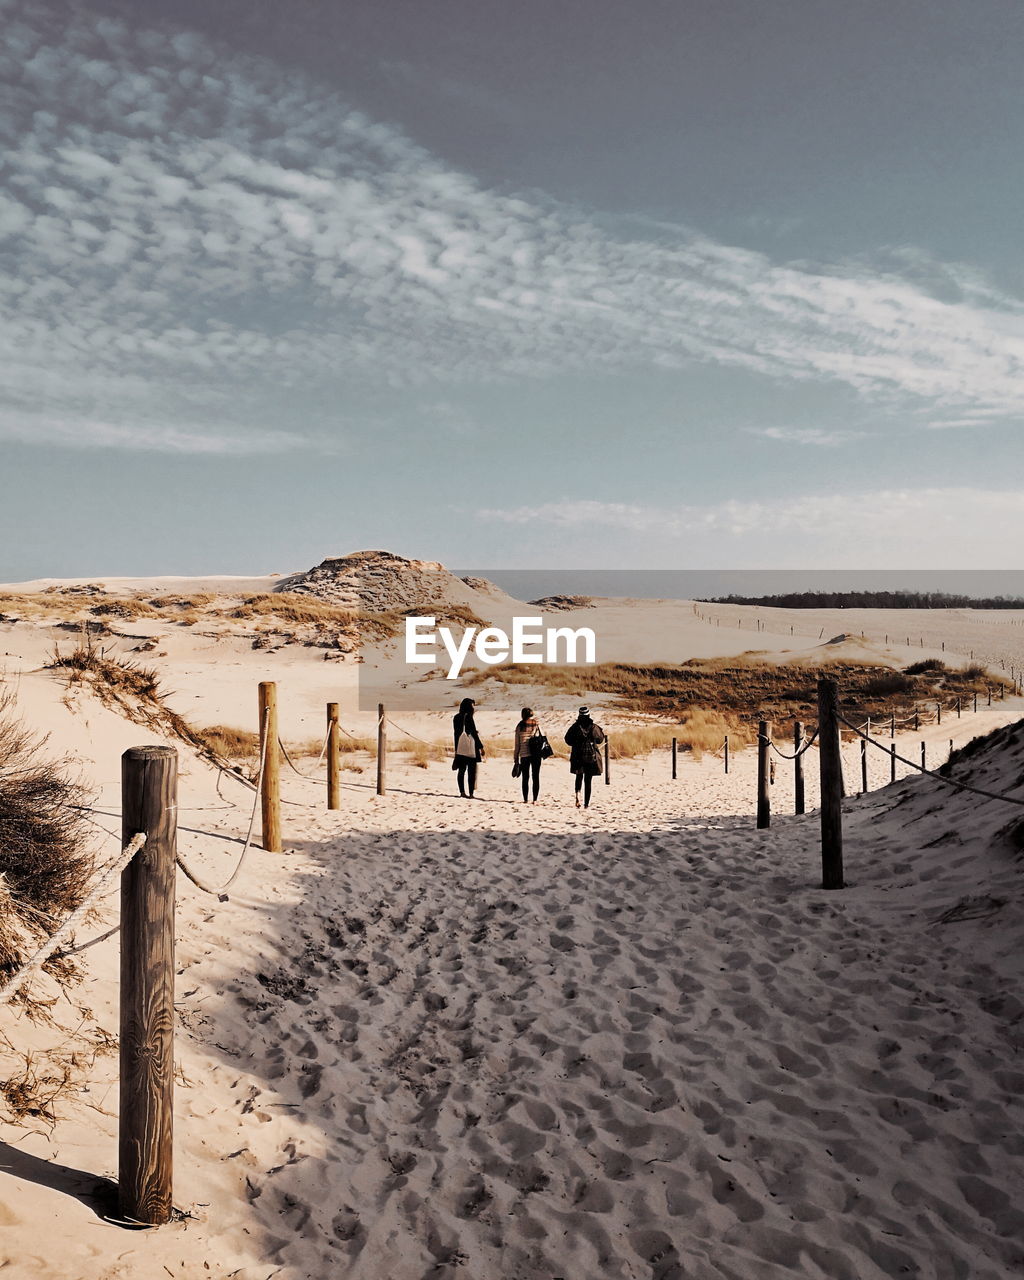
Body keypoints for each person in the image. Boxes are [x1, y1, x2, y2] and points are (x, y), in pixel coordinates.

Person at [564, 705, 605, 809]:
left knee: (579, 777)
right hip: (590, 756)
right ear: (589, 715)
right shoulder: (594, 727)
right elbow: (600, 739)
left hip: (578, 756)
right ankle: (586, 804)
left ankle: (578, 794)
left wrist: (577, 742)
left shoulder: (575, 727)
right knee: (588, 780)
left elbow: (567, 740)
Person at [513, 706, 547, 804]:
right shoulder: (536, 724)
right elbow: (543, 737)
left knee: (525, 777)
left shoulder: (519, 726)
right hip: (536, 753)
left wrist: (516, 759)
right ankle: (535, 799)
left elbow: (517, 744)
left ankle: (525, 799)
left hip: (524, 754)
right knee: (536, 776)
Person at [452, 697, 484, 798]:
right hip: (470, 748)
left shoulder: (456, 717)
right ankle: (471, 793)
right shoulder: (469, 717)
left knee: (461, 771)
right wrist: (481, 747)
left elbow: (456, 734)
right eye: (472, 706)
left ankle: (462, 792)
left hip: (460, 747)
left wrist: (456, 749)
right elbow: (473, 733)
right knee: (471, 771)